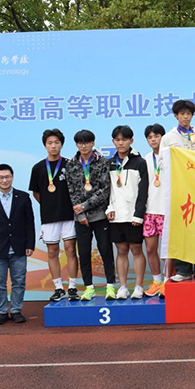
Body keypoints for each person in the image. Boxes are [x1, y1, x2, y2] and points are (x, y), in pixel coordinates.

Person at [160, 100, 195, 282]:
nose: (185, 117)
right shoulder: (168, 138)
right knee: (180, 230)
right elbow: (162, 163)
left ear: (192, 116)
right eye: (182, 114)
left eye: (188, 114)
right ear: (176, 116)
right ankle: (183, 271)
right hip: (179, 190)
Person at [28, 128, 79, 302]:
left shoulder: (70, 165)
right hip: (49, 217)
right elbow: (36, 193)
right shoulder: (38, 168)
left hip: (69, 215)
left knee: (70, 250)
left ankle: (72, 287)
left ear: (62, 144)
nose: (53, 146)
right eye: (50, 143)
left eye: (56, 142)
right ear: (45, 146)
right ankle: (58, 288)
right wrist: (49, 205)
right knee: (52, 251)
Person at [0, 164, 35, 325]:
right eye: (1, 177)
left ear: (12, 177)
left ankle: (16, 310)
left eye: (7, 177)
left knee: (19, 281)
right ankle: (2, 311)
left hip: (19, 247)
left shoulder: (23, 197)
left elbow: (29, 223)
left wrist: (30, 244)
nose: (4, 180)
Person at [66, 129, 117, 301]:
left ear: (93, 143)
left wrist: (85, 206)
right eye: (80, 143)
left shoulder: (102, 161)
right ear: (76, 144)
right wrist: (80, 214)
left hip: (100, 214)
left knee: (105, 250)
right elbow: (71, 191)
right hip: (80, 218)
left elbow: (105, 189)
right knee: (84, 252)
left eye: (87, 142)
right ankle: (89, 288)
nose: (84, 146)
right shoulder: (71, 164)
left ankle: (110, 286)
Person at [105, 125, 149, 299]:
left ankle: (139, 286)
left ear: (131, 140)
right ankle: (122, 287)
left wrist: (139, 214)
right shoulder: (109, 163)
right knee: (121, 250)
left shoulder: (139, 162)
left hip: (133, 216)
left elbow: (143, 191)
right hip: (116, 216)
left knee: (136, 249)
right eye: (117, 140)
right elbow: (106, 190)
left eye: (124, 139)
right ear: (113, 142)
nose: (121, 143)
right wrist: (109, 208)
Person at [143, 124, 168, 296]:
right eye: (150, 137)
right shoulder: (146, 158)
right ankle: (156, 281)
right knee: (151, 249)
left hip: (166, 210)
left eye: (156, 136)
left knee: (167, 252)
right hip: (150, 210)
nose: (153, 140)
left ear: (163, 137)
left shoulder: (171, 157)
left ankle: (167, 280)